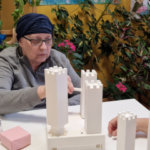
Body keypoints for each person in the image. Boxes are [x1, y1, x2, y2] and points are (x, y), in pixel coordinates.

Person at [0, 13, 81, 115]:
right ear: (20, 41)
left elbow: (83, 93)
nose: (44, 47)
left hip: (54, 122)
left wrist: (58, 108)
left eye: (48, 40)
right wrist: (45, 90)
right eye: (35, 41)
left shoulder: (59, 59)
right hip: (19, 125)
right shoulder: (6, 60)